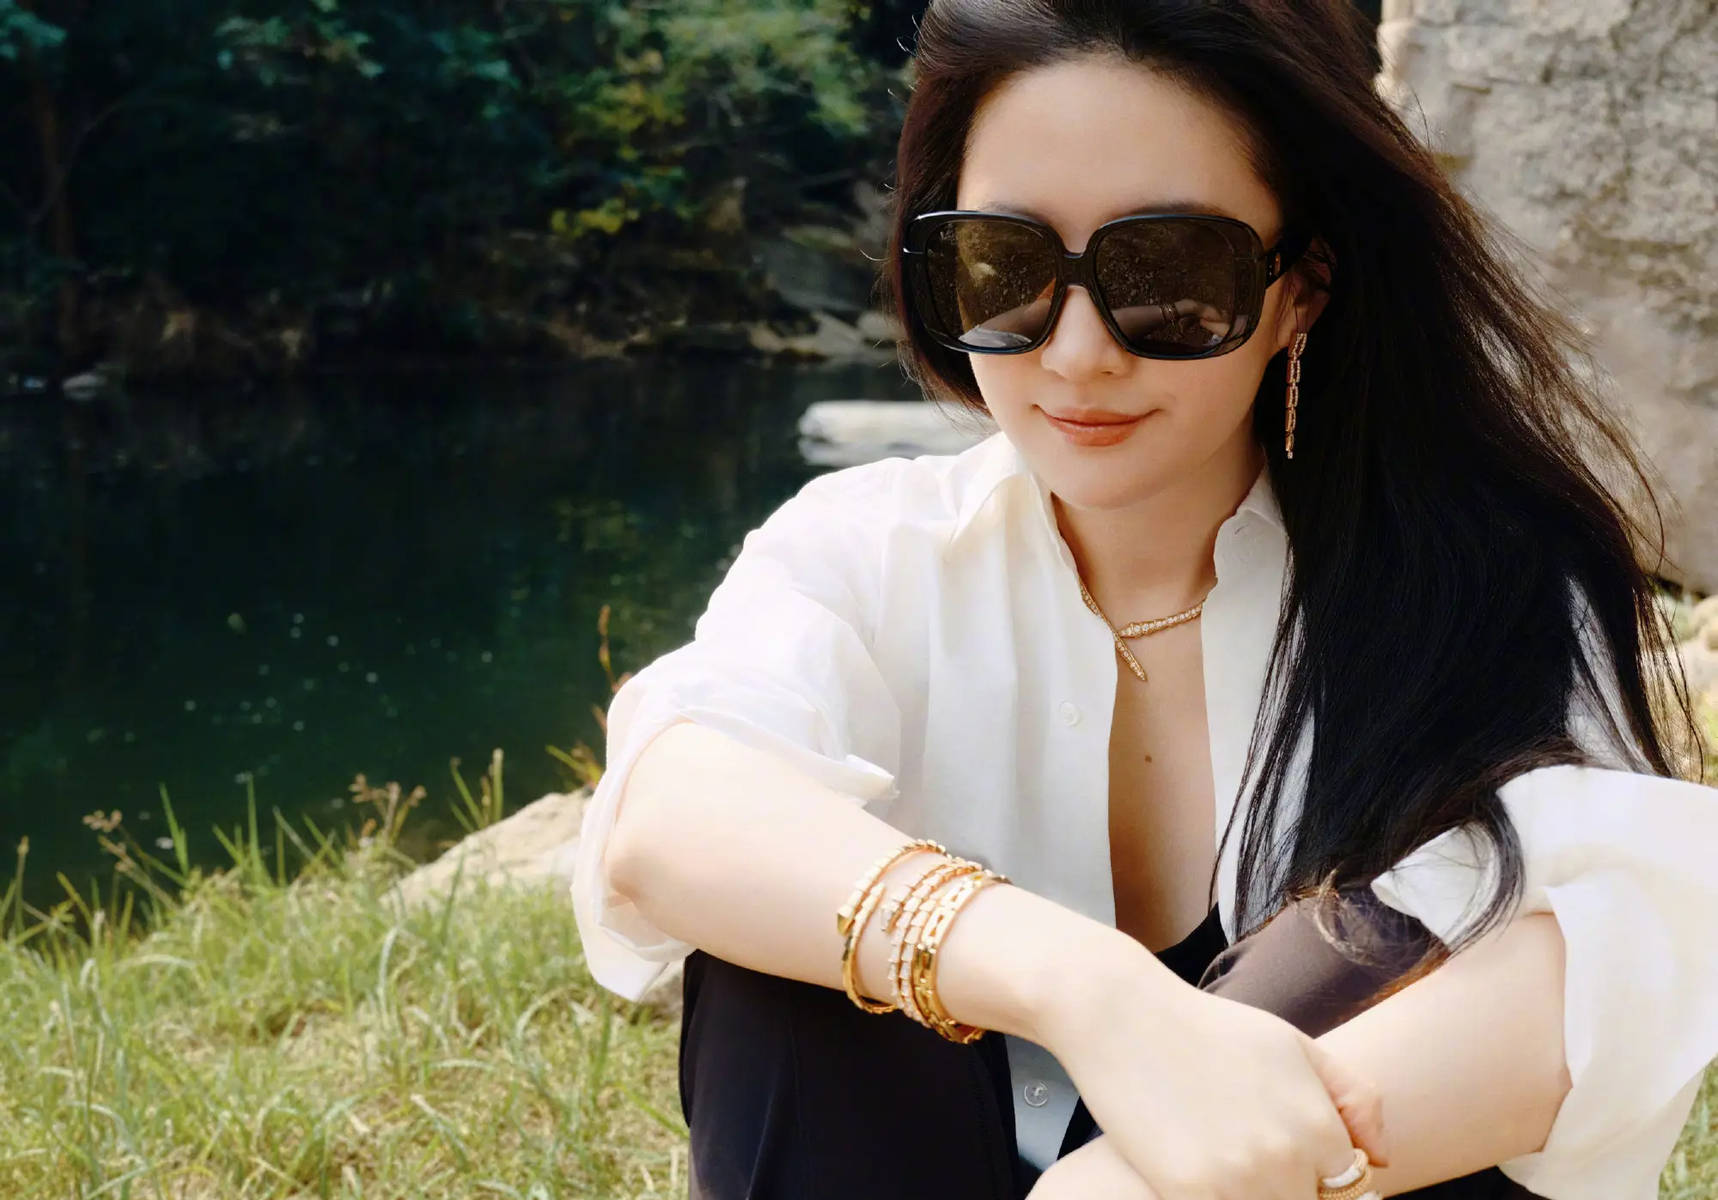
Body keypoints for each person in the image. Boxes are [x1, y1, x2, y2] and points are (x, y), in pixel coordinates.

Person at [570, 2, 1718, 1198]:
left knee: (1396, 948)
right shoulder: (874, 549)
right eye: (1002, 263)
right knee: (781, 958)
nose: (1076, 353)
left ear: (1300, 289)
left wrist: (1120, 1184)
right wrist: (1082, 987)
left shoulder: (1479, 584)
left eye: (1167, 274)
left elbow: (1592, 961)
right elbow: (671, 813)